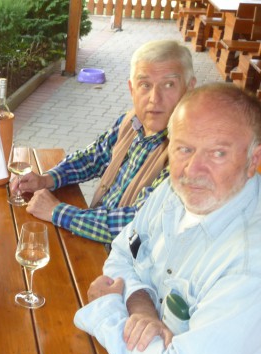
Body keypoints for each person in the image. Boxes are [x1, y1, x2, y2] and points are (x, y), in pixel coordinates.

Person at [74, 82, 261, 354]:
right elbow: (122, 254)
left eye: (217, 153)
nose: (192, 170)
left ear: (254, 160)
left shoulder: (251, 261)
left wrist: (106, 309)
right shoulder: (173, 194)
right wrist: (141, 307)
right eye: (184, 149)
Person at [13, 40, 196, 244]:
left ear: (189, 89)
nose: (155, 98)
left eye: (168, 84)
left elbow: (140, 224)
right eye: (145, 85)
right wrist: (47, 179)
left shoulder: (189, 155)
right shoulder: (131, 122)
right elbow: (94, 157)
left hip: (124, 258)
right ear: (132, 89)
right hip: (93, 234)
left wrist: (58, 212)